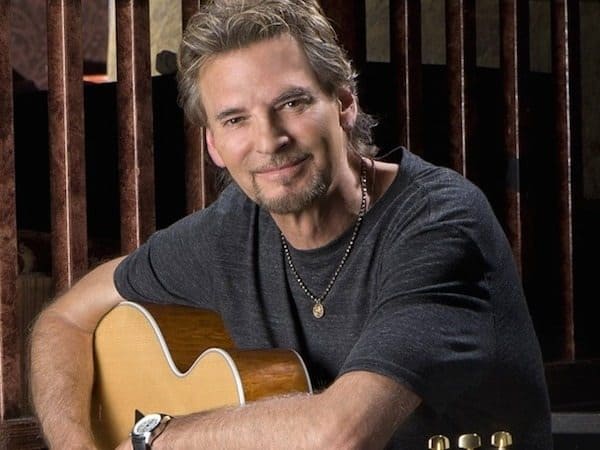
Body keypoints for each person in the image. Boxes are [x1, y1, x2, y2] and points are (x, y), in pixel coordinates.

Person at [30, 0, 553, 448]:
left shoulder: (439, 222)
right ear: (213, 144)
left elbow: (341, 432)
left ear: (343, 103)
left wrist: (157, 438)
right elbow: (65, 320)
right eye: (235, 119)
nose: (269, 140)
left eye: (292, 102)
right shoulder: (229, 232)